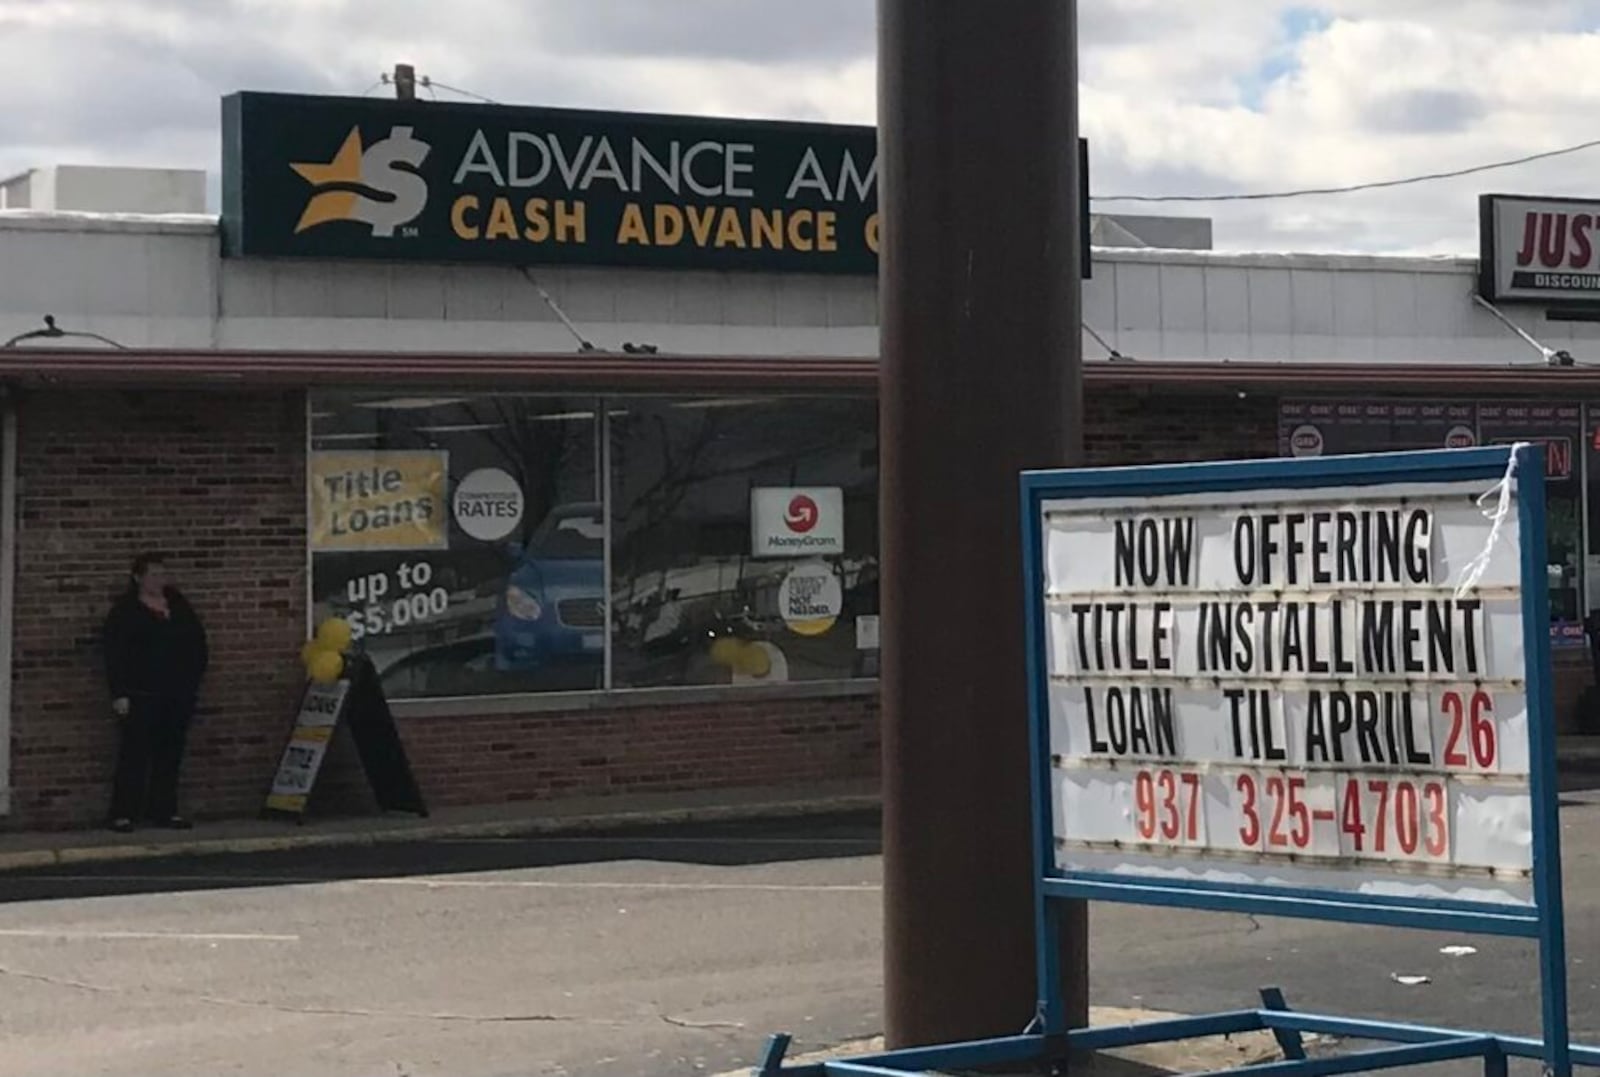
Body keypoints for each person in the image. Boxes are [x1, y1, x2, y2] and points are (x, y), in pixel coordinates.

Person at [102, 552, 208, 832]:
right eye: (153, 575)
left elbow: (197, 642)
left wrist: (191, 680)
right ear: (137, 578)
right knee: (134, 754)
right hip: (140, 693)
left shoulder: (178, 605)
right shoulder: (126, 611)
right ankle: (123, 812)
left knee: (170, 754)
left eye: (163, 574)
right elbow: (115, 653)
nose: (159, 580)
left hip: (176, 693)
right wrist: (120, 693)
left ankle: (165, 810)